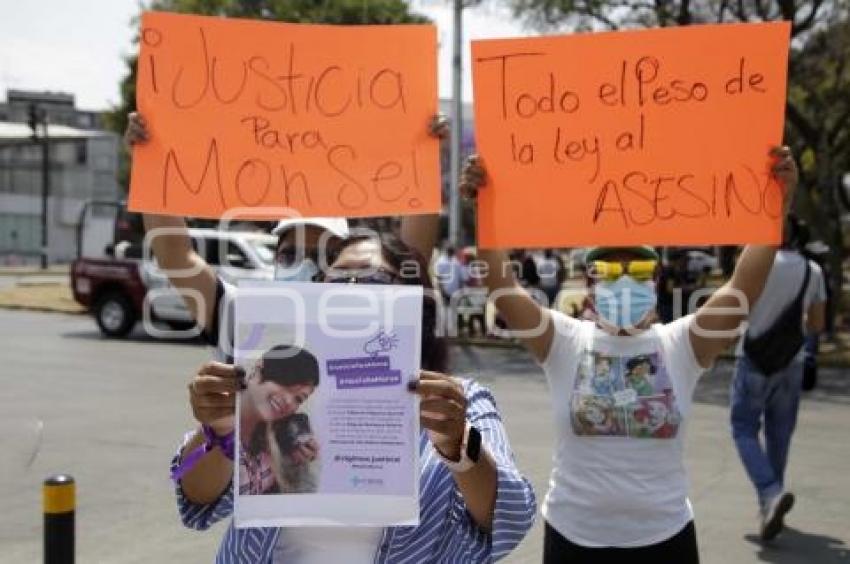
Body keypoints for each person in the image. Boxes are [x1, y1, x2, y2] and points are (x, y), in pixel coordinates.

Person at [460, 146, 799, 563]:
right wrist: (485, 208)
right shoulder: (562, 340)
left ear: (655, 282)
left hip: (664, 538)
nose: (623, 282)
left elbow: (743, 287)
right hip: (573, 538)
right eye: (608, 272)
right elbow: (501, 286)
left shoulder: (683, 344)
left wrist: (773, 208)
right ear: (590, 285)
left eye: (637, 272)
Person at [172, 233, 536, 562]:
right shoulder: (276, 394)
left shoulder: (462, 401)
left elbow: (509, 518)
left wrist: (459, 447)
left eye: (370, 279)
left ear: (414, 300)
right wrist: (218, 431)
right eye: (336, 279)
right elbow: (197, 496)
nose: (349, 290)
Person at [124, 112, 446, 359]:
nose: (305, 266)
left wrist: (426, 157)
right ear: (276, 257)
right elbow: (174, 254)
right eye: (290, 254)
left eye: (322, 255)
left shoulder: (372, 322)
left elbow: (412, 255)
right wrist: (150, 162)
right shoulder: (242, 315)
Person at [730, 214, 826, 541]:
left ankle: (770, 493)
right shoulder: (812, 271)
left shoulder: (754, 264)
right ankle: (770, 502)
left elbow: (735, 309)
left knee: (743, 428)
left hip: (754, 357)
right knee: (779, 435)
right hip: (791, 361)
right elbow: (815, 323)